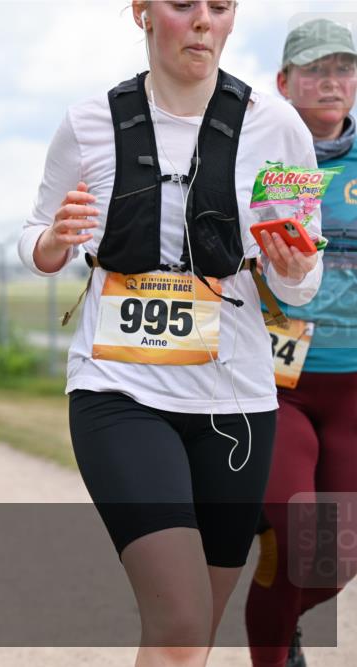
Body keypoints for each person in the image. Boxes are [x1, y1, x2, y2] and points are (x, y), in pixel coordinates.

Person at [17, 2, 323, 664]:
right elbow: (35, 234)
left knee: (192, 634)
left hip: (237, 404)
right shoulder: (89, 122)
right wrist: (51, 242)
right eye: (185, 4)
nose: (205, 21)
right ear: (142, 12)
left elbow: (304, 280)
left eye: (221, 6)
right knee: (182, 621)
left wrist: (295, 269)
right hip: (118, 391)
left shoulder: (277, 128)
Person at [245, 18, 357, 667]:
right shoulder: (264, 158)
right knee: (293, 536)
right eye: (315, 69)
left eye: (343, 68)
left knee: (335, 559)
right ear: (284, 82)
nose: (331, 82)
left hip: (350, 387)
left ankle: (282, 622)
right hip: (276, 381)